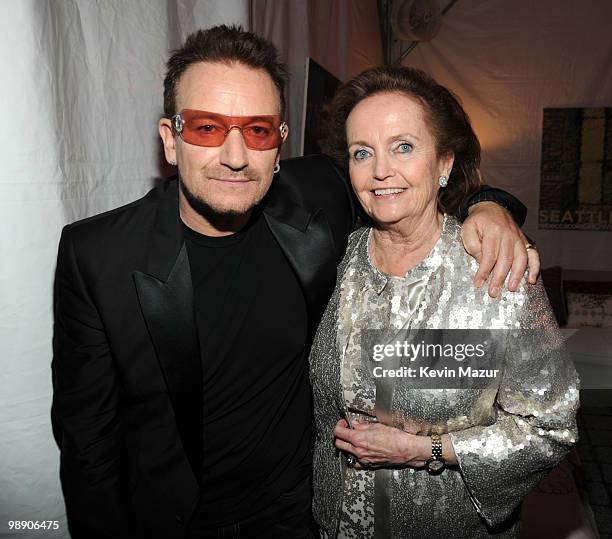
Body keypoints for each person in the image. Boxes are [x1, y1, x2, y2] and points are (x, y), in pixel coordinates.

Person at [51, 25, 537, 539]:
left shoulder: (319, 194)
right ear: (171, 141)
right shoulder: (99, 254)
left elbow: (409, 187)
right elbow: (88, 443)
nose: (236, 156)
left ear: (280, 143)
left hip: (300, 514)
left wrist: (493, 207)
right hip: (174, 522)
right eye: (208, 128)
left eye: (257, 130)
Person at [309, 65, 579, 538]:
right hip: (335, 524)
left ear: (444, 164)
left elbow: (551, 426)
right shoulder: (333, 257)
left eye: (404, 147)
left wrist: (426, 450)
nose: (380, 171)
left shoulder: (495, 271)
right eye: (362, 153)